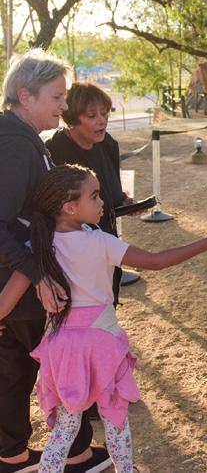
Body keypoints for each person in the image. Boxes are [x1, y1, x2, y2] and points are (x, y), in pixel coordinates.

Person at [0, 164, 207, 473]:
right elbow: (155, 261)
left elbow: (5, 302)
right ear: (69, 207)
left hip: (62, 349)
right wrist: (204, 243)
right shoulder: (100, 242)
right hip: (101, 344)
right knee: (115, 421)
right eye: (94, 196)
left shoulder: (38, 246)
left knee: (65, 429)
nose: (102, 202)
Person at [0, 50, 111, 473]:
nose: (64, 106)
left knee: (13, 367)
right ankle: (77, 454)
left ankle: (11, 453)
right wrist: (38, 275)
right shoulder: (15, 144)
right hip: (20, 282)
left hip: (17, 280)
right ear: (25, 96)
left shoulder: (21, 138)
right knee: (62, 362)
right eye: (57, 97)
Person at [46, 81, 133, 302]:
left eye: (104, 113)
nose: (102, 120)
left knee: (108, 304)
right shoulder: (53, 152)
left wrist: (123, 202)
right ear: (72, 119)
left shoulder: (108, 145)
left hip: (106, 244)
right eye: (92, 115)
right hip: (72, 257)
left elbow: (112, 191)